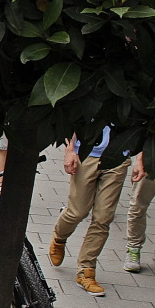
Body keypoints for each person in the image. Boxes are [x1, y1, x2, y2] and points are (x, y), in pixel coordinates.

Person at [49, 125, 130, 296]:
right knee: (77, 212)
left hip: (118, 158)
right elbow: (74, 116)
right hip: (87, 154)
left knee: (103, 218)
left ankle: (86, 270)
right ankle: (60, 237)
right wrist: (70, 149)